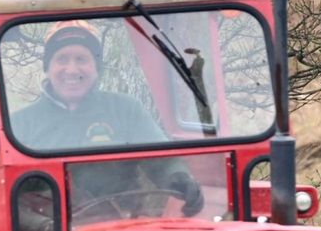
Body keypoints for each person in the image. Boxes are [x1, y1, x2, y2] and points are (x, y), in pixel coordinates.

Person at [12, 20, 204, 216]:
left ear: (96, 67)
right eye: (62, 59)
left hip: (121, 223)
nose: (72, 69)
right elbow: (16, 196)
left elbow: (161, 160)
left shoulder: (126, 110)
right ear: (48, 67)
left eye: (81, 59)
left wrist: (179, 177)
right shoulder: (20, 125)